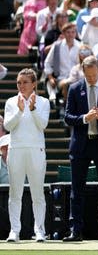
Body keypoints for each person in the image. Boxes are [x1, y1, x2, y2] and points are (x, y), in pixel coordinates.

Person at [63, 56, 98, 242]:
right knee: (76, 190)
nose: (92, 79)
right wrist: (84, 118)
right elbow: (68, 117)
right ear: (83, 72)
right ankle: (75, 230)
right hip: (81, 144)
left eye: (94, 75)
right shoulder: (74, 88)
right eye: (88, 76)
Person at [4, 68, 49, 242]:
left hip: (36, 150)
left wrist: (32, 108)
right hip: (16, 150)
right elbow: (8, 126)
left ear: (34, 84)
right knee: (15, 193)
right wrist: (20, 110)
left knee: (38, 193)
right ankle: (14, 231)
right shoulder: (11, 102)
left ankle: (39, 231)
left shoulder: (43, 102)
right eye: (19, 82)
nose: (21, 86)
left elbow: (42, 125)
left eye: (25, 82)